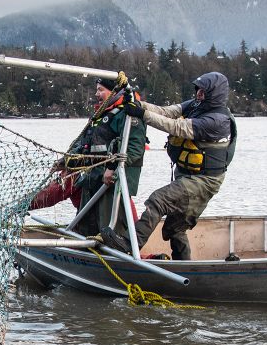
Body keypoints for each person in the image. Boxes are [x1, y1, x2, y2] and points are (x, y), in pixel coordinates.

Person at [100, 71, 236, 260]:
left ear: (215, 93)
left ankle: (130, 244)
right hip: (187, 175)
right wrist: (139, 105)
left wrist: (142, 114)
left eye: (203, 91)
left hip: (205, 180)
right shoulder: (196, 105)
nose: (198, 94)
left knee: (159, 200)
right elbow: (166, 112)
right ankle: (185, 266)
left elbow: (177, 127)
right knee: (175, 227)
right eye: (198, 90)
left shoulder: (218, 121)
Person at [41, 72, 146, 237]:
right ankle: (84, 248)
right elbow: (83, 146)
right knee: (85, 226)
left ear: (114, 91)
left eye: (101, 90)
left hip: (111, 184)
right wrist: (65, 161)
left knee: (113, 230)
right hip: (92, 180)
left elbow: (134, 148)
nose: (96, 94)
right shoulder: (99, 117)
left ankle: (122, 249)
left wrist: (112, 169)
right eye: (96, 90)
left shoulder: (127, 115)